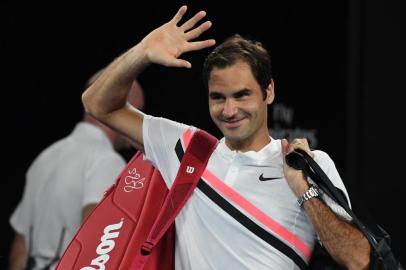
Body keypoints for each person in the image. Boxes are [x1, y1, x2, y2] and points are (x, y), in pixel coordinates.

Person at [82, 6, 371, 270]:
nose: (229, 110)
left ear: (268, 92)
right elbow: (97, 104)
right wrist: (143, 52)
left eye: (242, 95)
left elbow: (357, 260)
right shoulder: (185, 147)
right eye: (218, 98)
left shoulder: (307, 164)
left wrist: (305, 192)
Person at [8, 72, 144, 270]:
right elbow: (98, 248)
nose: (138, 124)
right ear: (117, 106)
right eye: (137, 113)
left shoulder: (45, 157)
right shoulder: (105, 161)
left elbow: (19, 248)